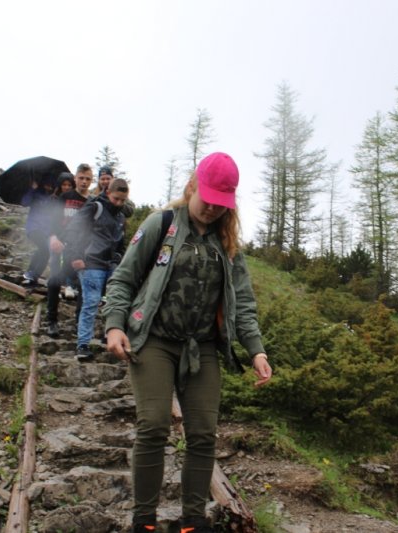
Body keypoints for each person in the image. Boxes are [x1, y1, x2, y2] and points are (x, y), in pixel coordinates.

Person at [102, 152, 273, 533]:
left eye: (221, 203)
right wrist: (115, 326)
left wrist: (256, 349)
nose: (212, 208)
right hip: (154, 340)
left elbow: (242, 303)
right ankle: (143, 521)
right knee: (154, 424)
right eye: (207, 198)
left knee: (202, 433)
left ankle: (192, 521)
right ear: (191, 186)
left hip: (204, 347)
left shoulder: (227, 245)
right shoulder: (160, 224)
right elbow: (123, 279)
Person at [65, 178, 129, 359]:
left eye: (122, 200)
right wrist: (76, 256)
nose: (118, 203)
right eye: (116, 198)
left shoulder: (121, 216)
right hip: (91, 262)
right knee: (91, 302)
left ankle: (110, 337)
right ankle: (83, 345)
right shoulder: (94, 207)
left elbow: (120, 241)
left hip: (112, 264)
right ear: (108, 192)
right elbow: (73, 229)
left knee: (115, 302)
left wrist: (119, 260)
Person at [46, 164, 94, 337]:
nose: (84, 181)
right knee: (54, 280)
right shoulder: (65, 197)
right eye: (81, 178)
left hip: (81, 249)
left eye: (87, 178)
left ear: (91, 180)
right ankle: (51, 320)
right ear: (75, 178)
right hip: (61, 244)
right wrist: (52, 236)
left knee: (83, 284)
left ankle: (79, 323)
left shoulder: (93, 202)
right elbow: (53, 220)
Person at [20, 177, 57, 286]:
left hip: (46, 230)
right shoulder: (36, 194)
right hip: (34, 227)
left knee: (42, 249)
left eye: (51, 185)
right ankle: (33, 274)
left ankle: (30, 273)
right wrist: (32, 189)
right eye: (47, 184)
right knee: (45, 250)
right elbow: (24, 202)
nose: (49, 187)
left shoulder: (52, 198)